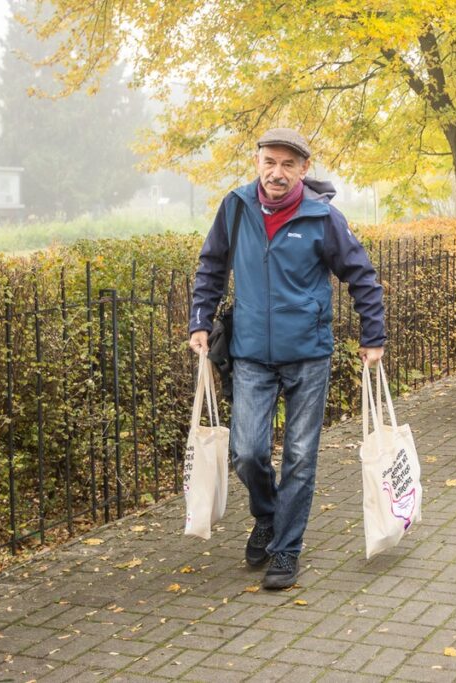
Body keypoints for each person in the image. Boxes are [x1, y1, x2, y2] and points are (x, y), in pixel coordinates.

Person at [188, 128, 385, 590]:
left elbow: (361, 275)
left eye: (288, 165)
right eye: (269, 162)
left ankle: (286, 549)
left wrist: (373, 335)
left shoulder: (322, 217)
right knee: (248, 452)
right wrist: (201, 319)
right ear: (257, 161)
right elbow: (212, 265)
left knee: (300, 456)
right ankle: (269, 516)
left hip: (308, 354)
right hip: (252, 352)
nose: (277, 172)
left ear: (303, 169)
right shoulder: (235, 208)